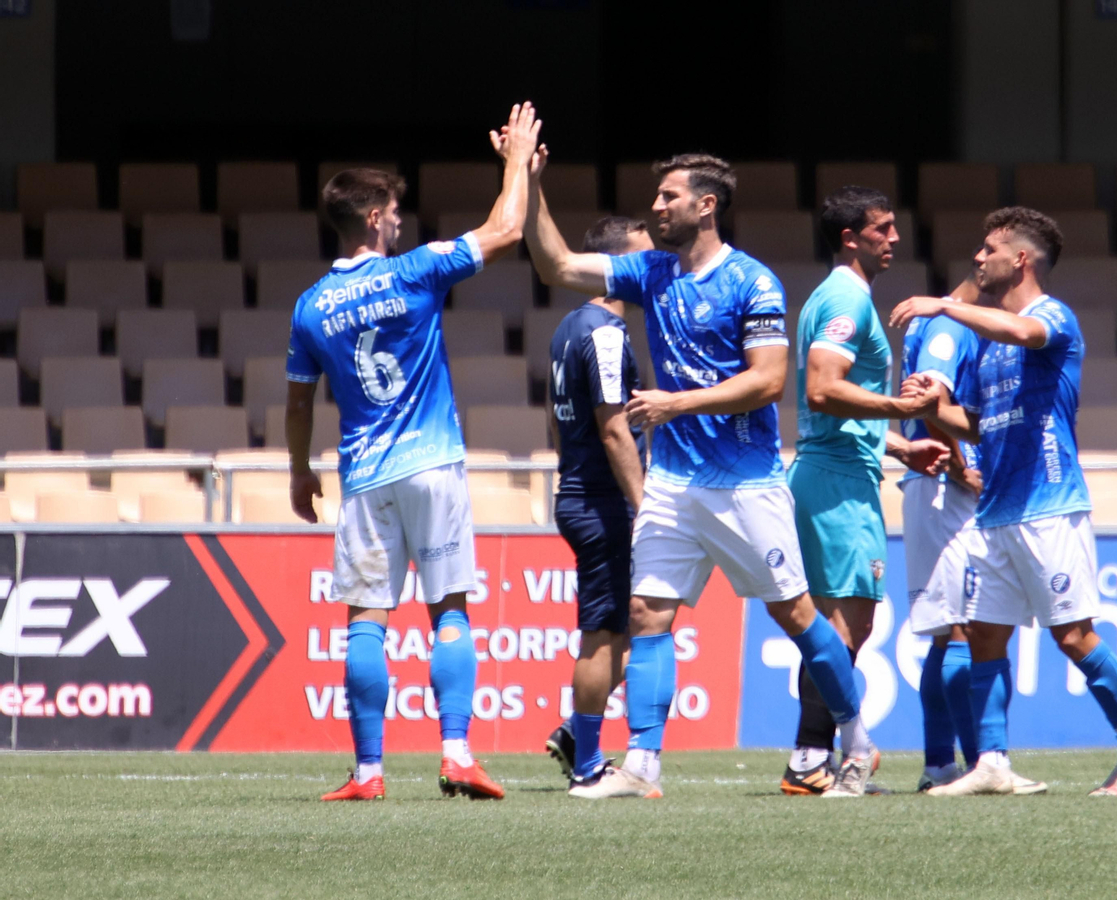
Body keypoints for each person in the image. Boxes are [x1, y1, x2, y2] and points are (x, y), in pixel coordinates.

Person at [523, 141, 879, 798]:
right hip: (674, 484)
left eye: (668, 196)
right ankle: (642, 766)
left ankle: (857, 737)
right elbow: (556, 264)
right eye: (656, 197)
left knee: (798, 616)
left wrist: (675, 402)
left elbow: (770, 381)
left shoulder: (752, 280)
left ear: (705, 204)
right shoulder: (650, 272)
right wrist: (528, 180)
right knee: (647, 614)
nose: (656, 206)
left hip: (745, 483)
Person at [287, 103, 543, 801]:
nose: (401, 219)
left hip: (365, 476)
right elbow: (507, 230)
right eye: (394, 209)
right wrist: (517, 160)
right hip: (432, 464)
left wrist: (296, 470)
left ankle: (369, 772)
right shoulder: (414, 272)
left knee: (366, 620)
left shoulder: (310, 307)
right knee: (449, 611)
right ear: (373, 217)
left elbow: (299, 400)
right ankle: (457, 753)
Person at [891, 207, 1117, 797]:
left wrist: (943, 305)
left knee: (1073, 636)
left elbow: (1020, 332)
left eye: (989, 249)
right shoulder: (988, 350)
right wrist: (925, 410)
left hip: (1048, 505)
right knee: (985, 635)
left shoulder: (1050, 317)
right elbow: (982, 424)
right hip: (996, 511)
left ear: (1020, 258)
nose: (977, 258)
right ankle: (991, 762)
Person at [780, 186, 950, 795]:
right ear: (851, 237)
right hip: (836, 482)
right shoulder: (847, 298)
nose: (894, 238)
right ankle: (814, 760)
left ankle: (810, 759)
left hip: (839, 467)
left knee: (839, 625)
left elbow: (833, 411)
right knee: (845, 626)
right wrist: (900, 405)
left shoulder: (835, 295)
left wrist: (900, 445)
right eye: (882, 228)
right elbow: (825, 389)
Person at [898, 273, 1044, 795]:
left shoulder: (950, 323)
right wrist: (960, 466)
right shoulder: (948, 327)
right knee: (962, 629)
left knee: (949, 634)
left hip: (933, 488)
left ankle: (942, 763)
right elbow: (927, 396)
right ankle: (980, 764)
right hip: (944, 489)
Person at [540, 216, 653, 795]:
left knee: (632, 633)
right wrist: (644, 508)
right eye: (645, 258)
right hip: (604, 501)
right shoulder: (606, 334)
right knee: (603, 636)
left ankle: (572, 734)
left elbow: (554, 422)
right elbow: (614, 432)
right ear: (618, 266)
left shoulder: (566, 327)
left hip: (580, 492)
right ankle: (587, 764)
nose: (655, 267)